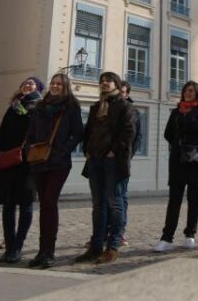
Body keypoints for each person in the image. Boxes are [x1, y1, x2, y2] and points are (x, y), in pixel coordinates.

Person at [74, 72, 136, 265]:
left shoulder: (126, 107)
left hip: (113, 162)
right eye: (101, 81)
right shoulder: (95, 107)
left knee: (115, 204)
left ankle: (113, 247)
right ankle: (95, 246)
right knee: (98, 206)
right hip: (95, 160)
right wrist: (87, 151)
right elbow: (89, 131)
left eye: (108, 81)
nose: (104, 83)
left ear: (116, 84)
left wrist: (113, 152)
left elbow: (129, 133)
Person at [153, 81, 198, 252]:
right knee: (174, 200)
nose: (188, 93)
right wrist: (178, 145)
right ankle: (166, 238)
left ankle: (190, 234)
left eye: (191, 91)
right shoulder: (176, 112)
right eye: (185, 91)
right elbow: (167, 133)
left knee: (194, 199)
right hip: (177, 160)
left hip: (196, 160)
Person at [26, 72, 83, 269]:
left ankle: (49, 252)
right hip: (39, 160)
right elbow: (31, 131)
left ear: (65, 86)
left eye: (59, 83)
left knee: (50, 201)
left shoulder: (71, 107)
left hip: (59, 162)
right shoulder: (40, 107)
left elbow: (78, 134)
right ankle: (42, 251)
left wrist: (63, 150)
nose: (56, 86)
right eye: (53, 83)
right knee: (44, 204)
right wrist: (29, 148)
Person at [0, 76, 43, 263]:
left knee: (26, 204)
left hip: (28, 163)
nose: (27, 85)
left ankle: (18, 246)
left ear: (38, 88)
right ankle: (9, 246)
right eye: (25, 83)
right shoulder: (12, 108)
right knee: (8, 205)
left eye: (32, 83)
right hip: (8, 161)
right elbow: (2, 133)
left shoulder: (39, 107)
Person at [118, 82, 143, 246]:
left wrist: (128, 155)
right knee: (102, 201)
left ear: (127, 94)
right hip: (102, 160)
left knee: (120, 197)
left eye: (122, 92)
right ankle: (99, 234)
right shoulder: (103, 108)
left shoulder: (133, 111)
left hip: (121, 160)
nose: (119, 94)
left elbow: (137, 137)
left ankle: (119, 233)